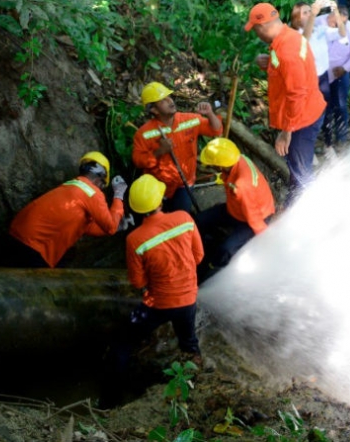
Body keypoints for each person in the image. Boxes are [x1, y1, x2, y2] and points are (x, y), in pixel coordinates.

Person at [100, 174, 204, 408]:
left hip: (156, 305)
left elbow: (137, 282)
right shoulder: (184, 218)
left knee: (123, 342)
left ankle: (110, 403)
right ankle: (196, 389)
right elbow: (198, 256)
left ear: (136, 209)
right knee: (188, 343)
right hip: (188, 299)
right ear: (160, 201)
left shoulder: (135, 239)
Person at [245, 2, 326, 205]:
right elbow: (291, 72)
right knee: (299, 167)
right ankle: (298, 201)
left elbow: (297, 94)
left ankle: (307, 208)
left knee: (301, 171)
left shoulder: (286, 52)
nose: (256, 34)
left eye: (255, 30)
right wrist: (269, 63)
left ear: (263, 27)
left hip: (302, 119)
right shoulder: (288, 37)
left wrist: (286, 131)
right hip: (306, 112)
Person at [9, 151, 128, 268]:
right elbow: (110, 227)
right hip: (34, 246)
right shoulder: (93, 193)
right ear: (100, 180)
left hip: (17, 233)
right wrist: (118, 194)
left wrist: (118, 225)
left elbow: (86, 226)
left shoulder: (70, 186)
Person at [132, 81, 222, 214]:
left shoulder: (189, 120)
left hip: (184, 184)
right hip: (158, 186)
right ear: (154, 110)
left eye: (169, 97)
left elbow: (216, 130)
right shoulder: (144, 133)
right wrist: (159, 152)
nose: (169, 101)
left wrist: (209, 114)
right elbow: (138, 161)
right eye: (162, 100)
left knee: (181, 215)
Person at [195, 138, 275, 282]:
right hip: (236, 209)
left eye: (212, 164)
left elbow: (254, 218)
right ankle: (198, 251)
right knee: (199, 221)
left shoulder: (242, 186)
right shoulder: (238, 159)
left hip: (255, 217)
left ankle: (210, 273)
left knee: (225, 249)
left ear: (221, 166)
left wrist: (266, 242)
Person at [321, 3, 350, 156]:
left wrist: (345, 68)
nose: (340, 25)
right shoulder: (318, 23)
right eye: (337, 21)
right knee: (323, 107)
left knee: (340, 106)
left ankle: (341, 139)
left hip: (340, 73)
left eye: (343, 22)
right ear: (331, 15)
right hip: (320, 74)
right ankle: (327, 142)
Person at [290, 0, 331, 121]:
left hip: (324, 75)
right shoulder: (295, 34)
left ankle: (326, 136)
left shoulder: (318, 29)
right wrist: (313, 15)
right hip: (311, 79)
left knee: (325, 107)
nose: (309, 14)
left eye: (309, 11)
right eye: (305, 13)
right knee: (312, 111)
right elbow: (304, 41)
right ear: (297, 18)